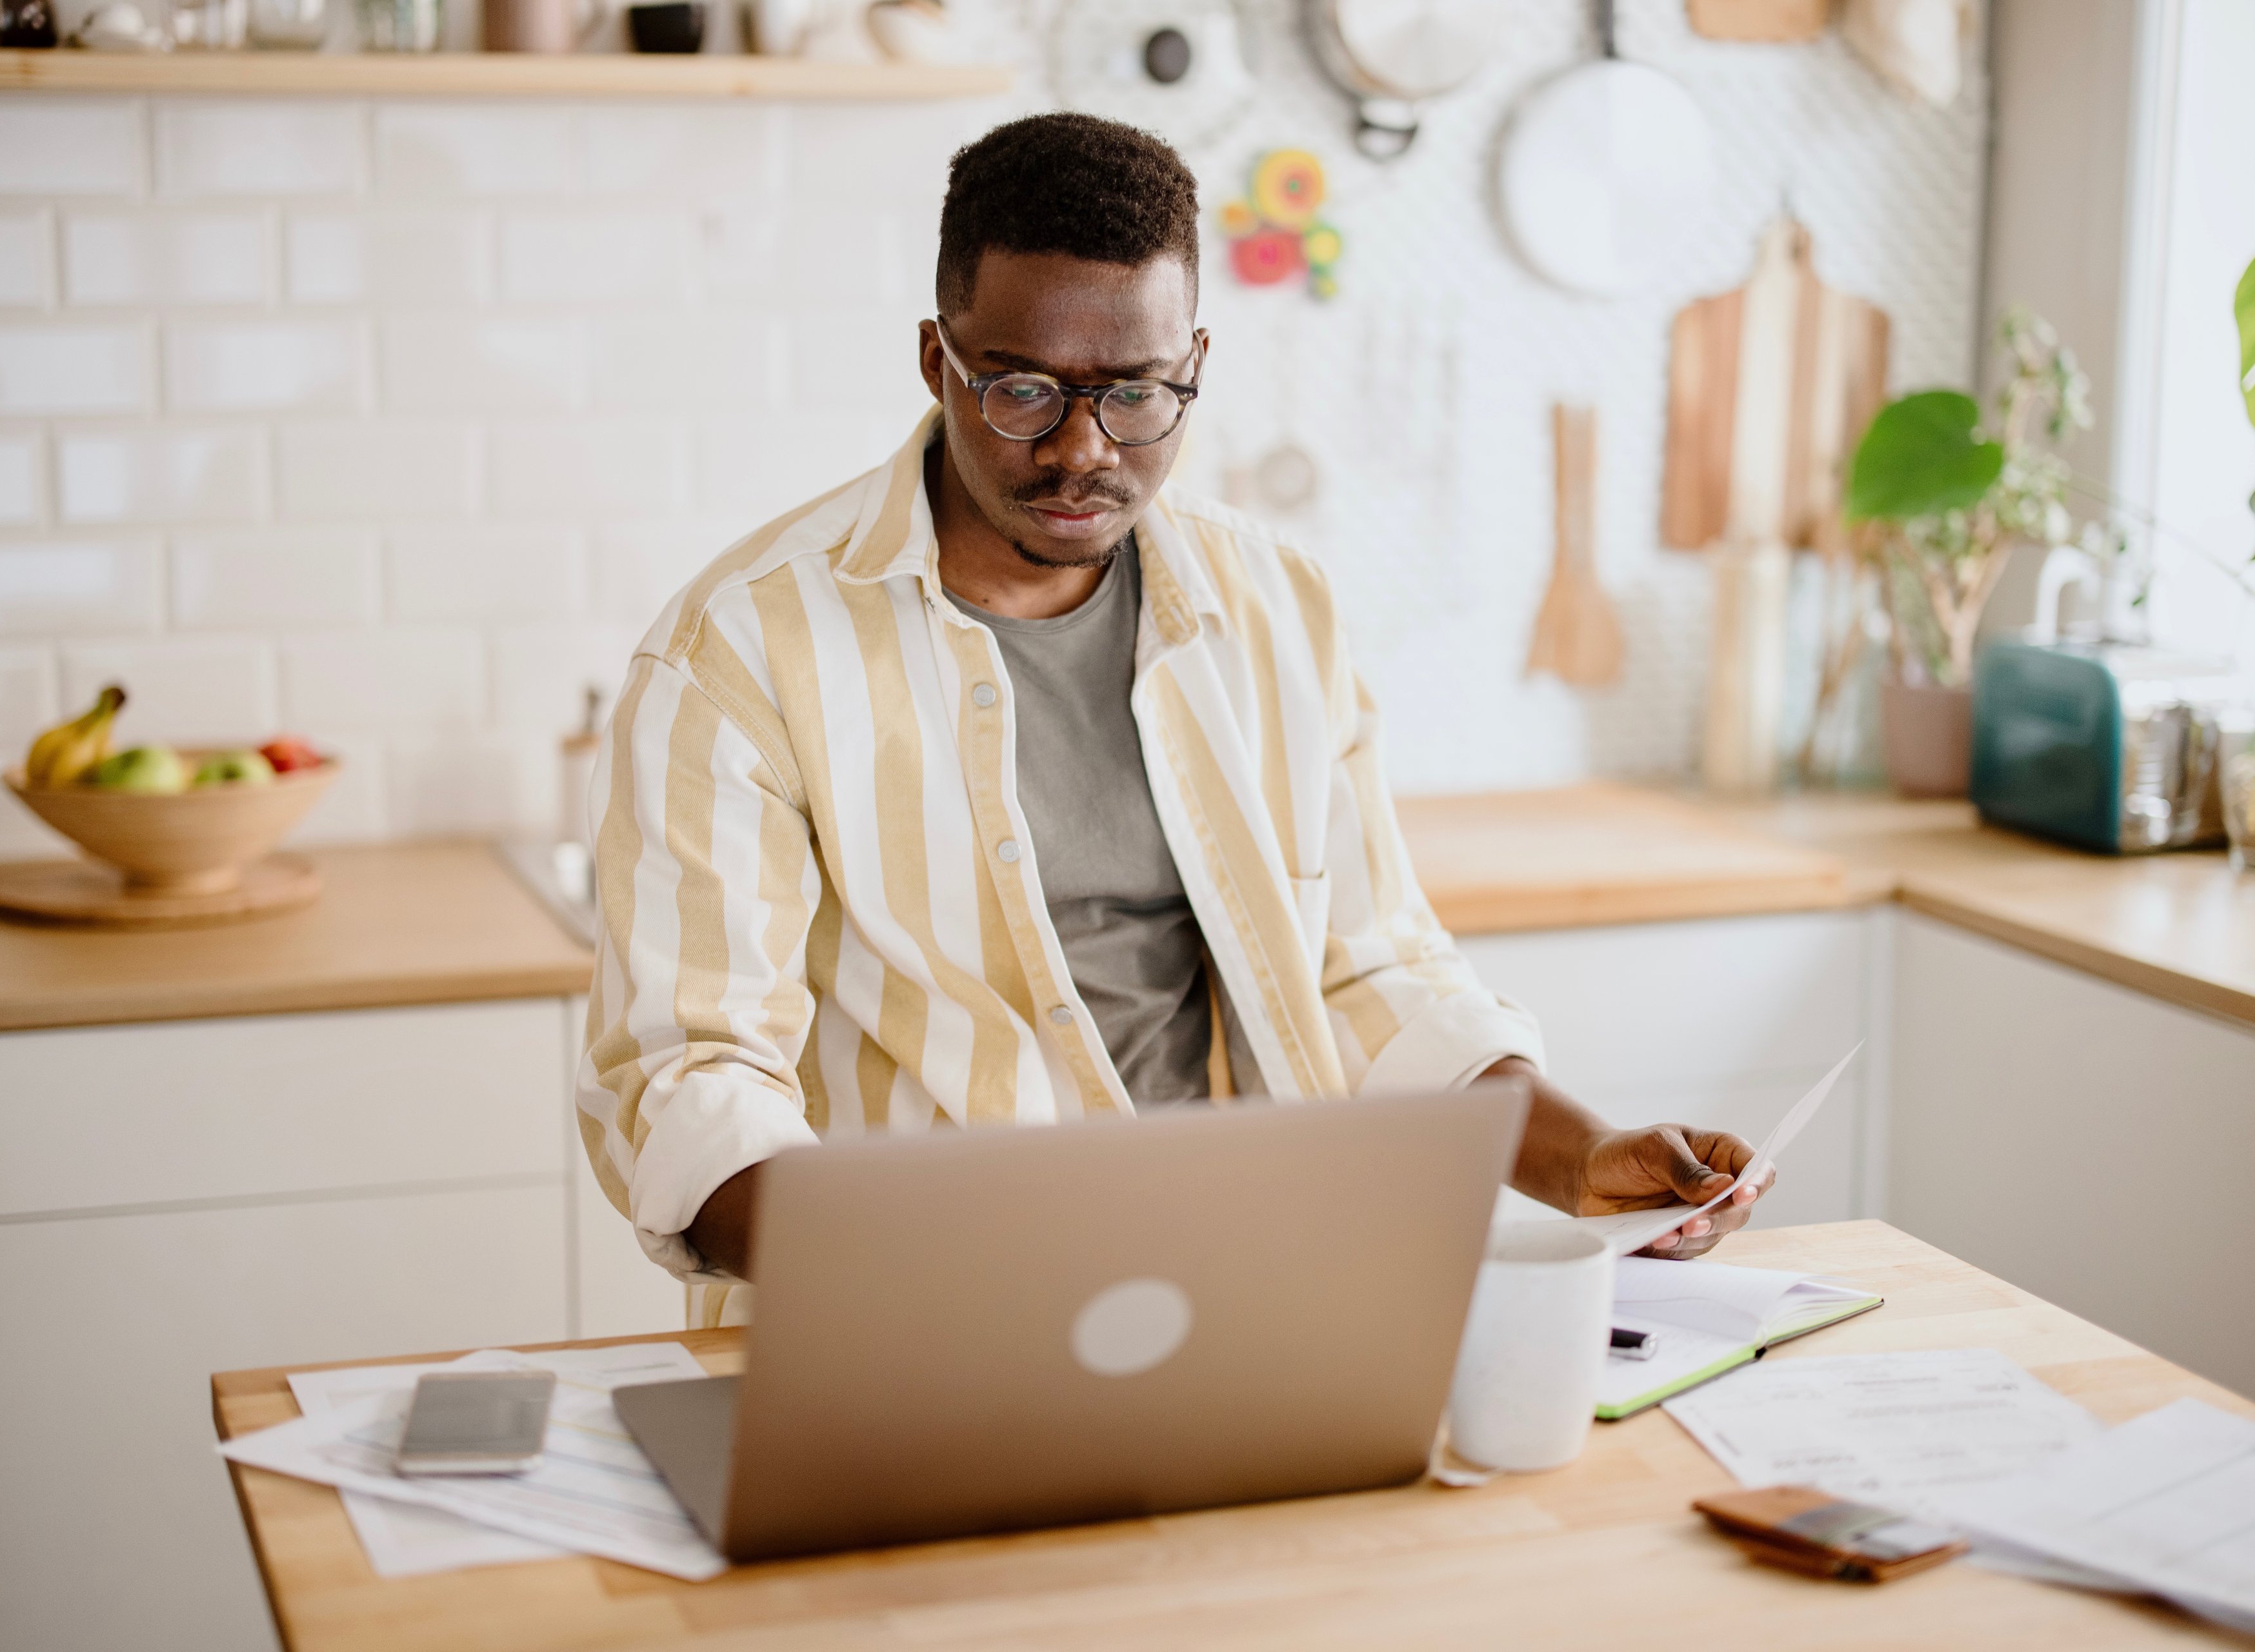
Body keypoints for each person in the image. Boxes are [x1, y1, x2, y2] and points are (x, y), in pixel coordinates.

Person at [578, 112, 1761, 1307]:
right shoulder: (739, 654)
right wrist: (908, 1287)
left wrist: (1582, 1163)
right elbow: (690, 1073)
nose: (1082, 451)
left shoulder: (1275, 608)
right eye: (1025, 391)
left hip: (1241, 1293)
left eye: (1137, 393)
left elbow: (1370, 971)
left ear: (1195, 360)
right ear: (939, 359)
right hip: (913, 1320)